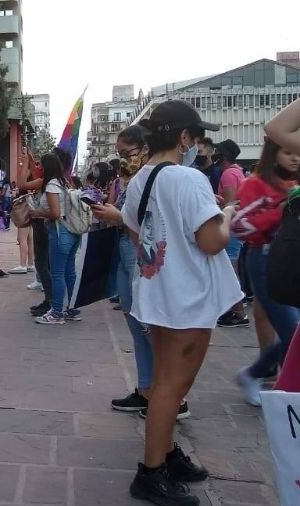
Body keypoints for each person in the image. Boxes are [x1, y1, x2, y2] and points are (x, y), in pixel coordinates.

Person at [121, 100, 240, 506]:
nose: (198, 146)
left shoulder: (140, 180)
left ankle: (166, 453)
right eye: (197, 138)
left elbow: (136, 234)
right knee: (174, 385)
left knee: (165, 381)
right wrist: (225, 214)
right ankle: (151, 472)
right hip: (189, 297)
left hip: (158, 294)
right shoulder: (187, 180)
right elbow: (212, 241)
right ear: (184, 138)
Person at [93, 126, 193, 420]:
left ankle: (175, 396)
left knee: (152, 326)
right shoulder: (129, 179)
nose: (123, 159)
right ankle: (147, 388)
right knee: (136, 323)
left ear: (144, 149)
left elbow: (153, 220)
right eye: (119, 154)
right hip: (125, 247)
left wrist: (118, 215)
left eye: (127, 153)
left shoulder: (163, 176)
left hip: (143, 251)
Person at [233, 138, 300, 405]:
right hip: (265, 260)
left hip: (292, 260)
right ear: (274, 153)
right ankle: (265, 379)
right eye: (289, 151)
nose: (295, 158)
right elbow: (240, 226)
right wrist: (280, 212)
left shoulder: (294, 185)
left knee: (294, 331)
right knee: (292, 329)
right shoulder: (255, 184)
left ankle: (275, 381)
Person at [30, 154, 81, 325]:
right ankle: (71, 308)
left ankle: (57, 312)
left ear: (47, 166)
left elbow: (55, 213)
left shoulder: (52, 185)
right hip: (73, 231)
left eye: (41, 166)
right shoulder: (65, 182)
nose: (39, 169)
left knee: (57, 273)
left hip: (59, 231)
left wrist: (38, 212)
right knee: (69, 272)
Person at [213, 139, 249, 328]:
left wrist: (215, 202)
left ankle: (238, 311)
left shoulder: (228, 174)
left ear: (224, 155)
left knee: (229, 268)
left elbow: (230, 203)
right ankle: (233, 309)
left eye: (218, 151)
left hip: (231, 226)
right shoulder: (238, 171)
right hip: (239, 226)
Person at [15, 149, 53, 313]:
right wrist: (30, 159)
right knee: (46, 263)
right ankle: (50, 300)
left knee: (42, 263)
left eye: (40, 165)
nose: (38, 167)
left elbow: (22, 184)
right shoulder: (52, 180)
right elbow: (35, 170)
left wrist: (24, 165)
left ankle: (50, 301)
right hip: (44, 225)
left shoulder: (45, 181)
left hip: (42, 224)